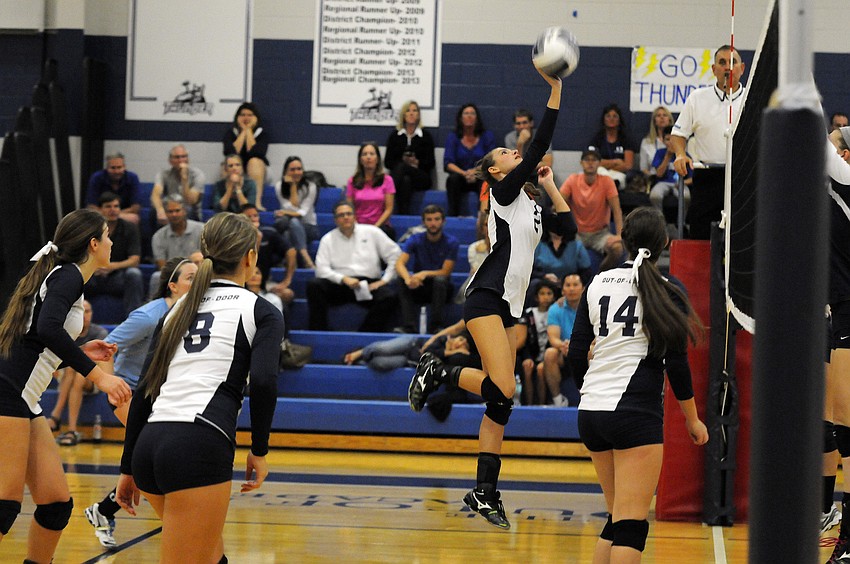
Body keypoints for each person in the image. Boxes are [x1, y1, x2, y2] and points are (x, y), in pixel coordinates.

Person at [408, 67, 575, 529]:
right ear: (497, 169)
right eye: (506, 151)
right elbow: (538, 144)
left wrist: (551, 184)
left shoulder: (533, 202)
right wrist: (556, 91)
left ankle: (484, 492)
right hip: (486, 296)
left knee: (503, 402)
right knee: (503, 390)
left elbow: (569, 230)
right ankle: (438, 368)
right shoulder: (500, 194)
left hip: (509, 306)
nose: (513, 152)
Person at [115, 213, 284, 563]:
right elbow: (265, 381)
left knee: (210, 556)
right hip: (199, 444)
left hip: (150, 444)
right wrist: (260, 449)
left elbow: (146, 389)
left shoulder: (176, 310)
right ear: (250, 258)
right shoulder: (260, 310)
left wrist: (128, 466)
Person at [566, 207, 708, 563]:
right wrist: (692, 419)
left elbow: (576, 353)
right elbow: (676, 364)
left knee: (617, 520)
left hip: (592, 411)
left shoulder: (597, 282)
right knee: (631, 525)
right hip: (633, 413)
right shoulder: (668, 289)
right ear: (664, 243)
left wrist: (591, 391)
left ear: (625, 241)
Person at [0, 209, 131, 562]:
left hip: (24, 397)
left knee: (56, 504)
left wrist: (79, 351)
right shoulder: (69, 275)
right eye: (107, 235)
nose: (112, 241)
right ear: (93, 244)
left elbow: (37, 340)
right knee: (4, 506)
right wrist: (99, 375)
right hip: (9, 392)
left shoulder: (65, 276)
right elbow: (47, 329)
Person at [84, 256, 197, 549]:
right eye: (190, 278)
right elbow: (105, 348)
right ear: (172, 286)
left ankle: (103, 510)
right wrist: (111, 386)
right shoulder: (148, 316)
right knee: (156, 458)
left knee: (157, 460)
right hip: (130, 393)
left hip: (161, 398)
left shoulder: (193, 314)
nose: (198, 283)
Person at [671, 44, 746, 240]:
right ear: (714, 69)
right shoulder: (697, 98)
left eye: (733, 62)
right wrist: (680, 154)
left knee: (741, 238)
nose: (728, 67)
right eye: (722, 62)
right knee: (701, 235)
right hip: (707, 178)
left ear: (742, 68)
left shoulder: (752, 99)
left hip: (742, 178)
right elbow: (678, 134)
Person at [821, 127, 850, 563]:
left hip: (849, 309)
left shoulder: (845, 181)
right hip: (834, 309)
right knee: (831, 419)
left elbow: (816, 143)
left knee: (845, 422)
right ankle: (829, 512)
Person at [308, 201, 401, 332]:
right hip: (339, 285)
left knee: (389, 296)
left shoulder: (372, 232)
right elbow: (321, 269)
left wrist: (384, 280)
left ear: (355, 216)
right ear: (335, 220)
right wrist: (343, 279)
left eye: (348, 214)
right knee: (314, 285)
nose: (345, 217)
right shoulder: (328, 239)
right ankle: (318, 332)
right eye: (341, 215)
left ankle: (365, 334)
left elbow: (395, 254)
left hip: (368, 285)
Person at [49, 300, 109, 446]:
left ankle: (56, 417)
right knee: (74, 371)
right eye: (81, 311)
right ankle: (71, 430)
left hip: (94, 378)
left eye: (88, 311)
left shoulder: (99, 333)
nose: (85, 315)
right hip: (71, 376)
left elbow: (103, 363)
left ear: (92, 314)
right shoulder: (68, 332)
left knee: (77, 371)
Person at [395, 205, 459, 333]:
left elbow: (446, 271)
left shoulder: (451, 242)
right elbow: (399, 263)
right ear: (424, 222)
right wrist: (408, 279)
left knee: (440, 280)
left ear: (443, 221)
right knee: (400, 280)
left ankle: (436, 326)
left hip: (441, 288)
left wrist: (424, 273)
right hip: (420, 286)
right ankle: (409, 326)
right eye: (429, 220)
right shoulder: (415, 239)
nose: (433, 223)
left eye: (436, 219)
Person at [560, 149, 625, 272]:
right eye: (587, 160)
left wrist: (619, 235)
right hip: (577, 233)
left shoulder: (607, 181)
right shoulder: (573, 179)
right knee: (563, 251)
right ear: (581, 163)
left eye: (594, 160)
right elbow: (557, 203)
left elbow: (617, 210)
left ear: (599, 163)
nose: (590, 163)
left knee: (618, 249)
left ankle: (600, 274)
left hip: (600, 234)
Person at [85, 191, 144, 317]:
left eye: (116, 206)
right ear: (100, 210)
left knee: (134, 274)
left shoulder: (130, 228)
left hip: (117, 277)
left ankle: (134, 321)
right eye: (108, 206)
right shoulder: (90, 229)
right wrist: (94, 267)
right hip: (93, 275)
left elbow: (134, 260)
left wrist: (110, 266)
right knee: (75, 273)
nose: (113, 210)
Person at [384, 100, 436, 215]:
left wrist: (417, 163)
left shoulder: (425, 136)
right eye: (408, 110)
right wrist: (403, 160)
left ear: (418, 115)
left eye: (414, 110)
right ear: (403, 114)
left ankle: (385, 195)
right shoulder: (395, 136)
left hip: (421, 176)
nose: (411, 113)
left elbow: (431, 163)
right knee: (405, 180)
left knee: (403, 168)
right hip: (403, 177)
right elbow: (388, 162)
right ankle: (404, 215)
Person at [444, 103, 496, 216]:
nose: (469, 116)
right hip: (461, 176)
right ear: (460, 118)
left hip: (480, 175)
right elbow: (448, 163)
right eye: (466, 113)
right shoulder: (453, 137)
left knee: (487, 181)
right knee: (452, 180)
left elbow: (491, 160)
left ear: (477, 118)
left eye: (472, 113)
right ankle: (453, 216)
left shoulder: (487, 136)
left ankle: (483, 217)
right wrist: (464, 173)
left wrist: (474, 172)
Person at [148, 194, 204, 298]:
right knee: (156, 276)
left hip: (198, 274)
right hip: (172, 276)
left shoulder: (201, 230)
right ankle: (156, 311)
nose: (174, 214)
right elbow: (163, 267)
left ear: (185, 211)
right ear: (165, 213)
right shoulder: (158, 236)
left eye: (177, 210)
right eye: (170, 211)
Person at [542, 274, 584, 407]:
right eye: (568, 285)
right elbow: (553, 337)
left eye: (575, 285)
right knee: (549, 353)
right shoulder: (555, 308)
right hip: (564, 351)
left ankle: (590, 398)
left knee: (594, 351)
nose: (571, 289)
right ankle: (558, 400)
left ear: (583, 288)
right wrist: (564, 345)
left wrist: (576, 347)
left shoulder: (590, 306)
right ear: (562, 290)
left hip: (584, 350)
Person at [273, 156, 320, 269]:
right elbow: (292, 208)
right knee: (288, 230)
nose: (296, 172)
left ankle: (292, 261)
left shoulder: (311, 187)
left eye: (299, 169)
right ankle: (303, 261)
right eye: (292, 169)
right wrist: (293, 186)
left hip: (309, 227)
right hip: (290, 226)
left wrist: (285, 212)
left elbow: (301, 212)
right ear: (286, 172)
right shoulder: (279, 186)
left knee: (293, 222)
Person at [516, 281, 556, 405]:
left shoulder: (555, 312)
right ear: (536, 297)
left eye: (549, 293)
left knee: (541, 369)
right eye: (542, 293)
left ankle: (542, 403)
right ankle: (528, 403)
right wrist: (527, 357)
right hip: (532, 354)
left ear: (554, 296)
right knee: (527, 366)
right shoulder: (529, 313)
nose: (546, 297)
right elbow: (525, 340)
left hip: (548, 355)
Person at [346, 142, 397, 240]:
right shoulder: (352, 181)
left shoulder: (387, 180)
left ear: (377, 159)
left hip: (380, 226)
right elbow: (349, 208)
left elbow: (388, 209)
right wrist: (357, 227)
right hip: (357, 226)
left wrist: (375, 228)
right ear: (360, 160)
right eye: (364, 154)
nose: (368, 157)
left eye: (371, 154)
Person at [223, 102, 268, 209]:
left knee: (254, 162)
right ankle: (227, 203)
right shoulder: (231, 133)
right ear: (237, 118)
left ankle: (255, 203)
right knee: (227, 165)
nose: (246, 118)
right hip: (239, 167)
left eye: (249, 115)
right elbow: (232, 153)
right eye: (242, 115)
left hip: (259, 169)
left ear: (256, 118)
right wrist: (244, 131)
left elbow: (255, 152)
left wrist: (248, 131)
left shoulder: (262, 134)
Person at [587, 103, 638, 190]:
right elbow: (593, 162)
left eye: (615, 116)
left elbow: (628, 165)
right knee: (599, 173)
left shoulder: (626, 139)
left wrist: (606, 165)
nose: (611, 119)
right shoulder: (597, 139)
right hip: (601, 173)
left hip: (618, 174)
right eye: (608, 116)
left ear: (619, 120)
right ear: (604, 119)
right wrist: (616, 162)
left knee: (616, 180)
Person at [150, 144, 205, 223]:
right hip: (170, 208)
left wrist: (184, 179)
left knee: (186, 210)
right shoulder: (163, 174)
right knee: (153, 212)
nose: (181, 160)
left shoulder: (197, 175)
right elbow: (155, 194)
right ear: (170, 161)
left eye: (184, 156)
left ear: (188, 159)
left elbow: (191, 201)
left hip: (191, 211)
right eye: (177, 157)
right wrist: (160, 210)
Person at [649, 125, 693, 218]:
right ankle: (660, 222)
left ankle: (681, 222)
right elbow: (659, 174)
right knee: (655, 195)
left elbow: (691, 178)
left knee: (686, 196)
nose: (671, 143)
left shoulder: (685, 155)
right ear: (663, 140)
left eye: (673, 140)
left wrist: (683, 182)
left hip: (680, 183)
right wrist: (667, 156)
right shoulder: (660, 153)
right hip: (663, 182)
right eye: (668, 139)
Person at [85, 152, 141, 224]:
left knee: (133, 218)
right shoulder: (96, 178)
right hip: (101, 214)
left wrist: (115, 214)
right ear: (107, 168)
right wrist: (108, 214)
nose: (116, 171)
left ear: (124, 167)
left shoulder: (132, 178)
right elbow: (91, 206)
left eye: (119, 167)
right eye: (113, 168)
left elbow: (135, 208)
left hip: (124, 214)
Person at [639, 106, 675, 178]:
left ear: (669, 120)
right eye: (658, 115)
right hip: (654, 178)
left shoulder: (678, 141)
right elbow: (643, 168)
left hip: (675, 179)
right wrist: (653, 178)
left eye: (665, 115)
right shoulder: (646, 142)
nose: (662, 117)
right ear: (654, 121)